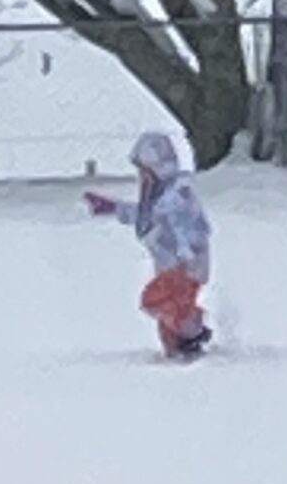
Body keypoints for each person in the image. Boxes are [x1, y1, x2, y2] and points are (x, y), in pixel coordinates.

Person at [86, 131, 213, 359]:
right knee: (168, 314)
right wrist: (115, 208)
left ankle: (192, 336)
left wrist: (185, 251)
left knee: (161, 301)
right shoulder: (159, 195)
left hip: (185, 266)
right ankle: (179, 352)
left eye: (145, 170)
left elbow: (185, 225)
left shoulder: (178, 194)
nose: (142, 176)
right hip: (170, 266)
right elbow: (148, 218)